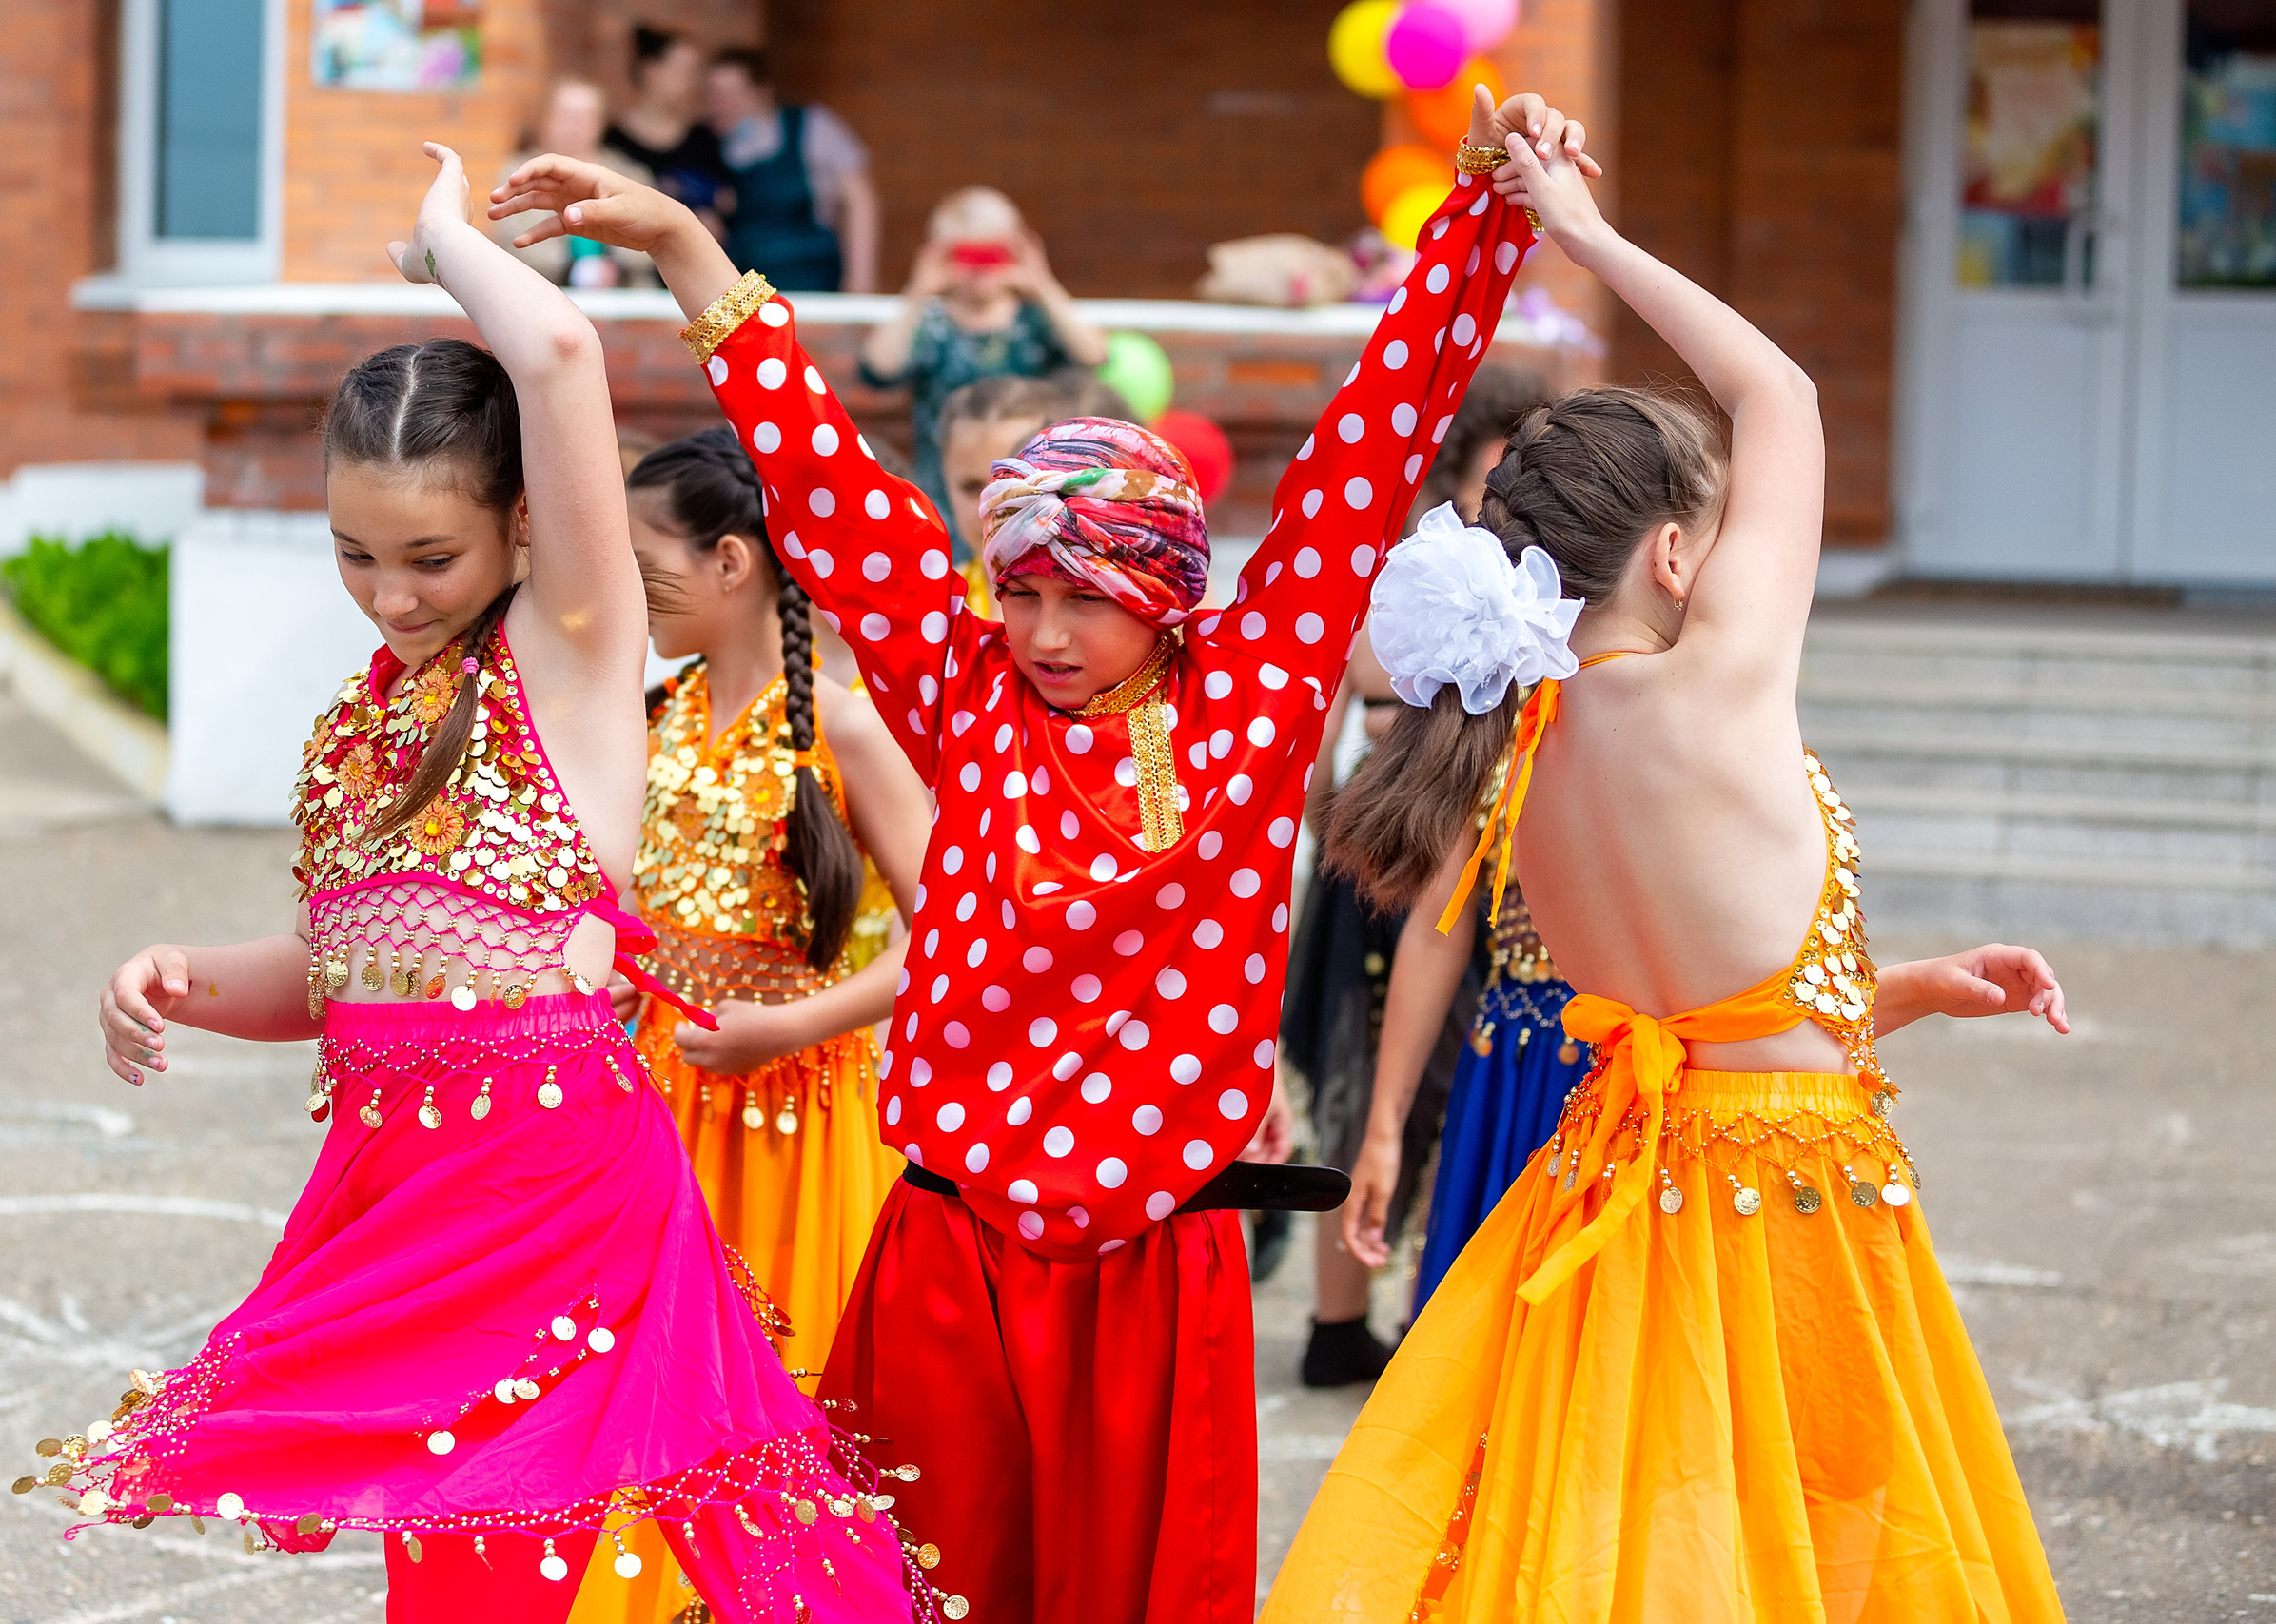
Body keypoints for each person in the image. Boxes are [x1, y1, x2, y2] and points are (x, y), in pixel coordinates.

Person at [487, 80, 1587, 1623]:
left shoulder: (1254, 691)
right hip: (950, 1253)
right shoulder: (964, 685)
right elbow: (821, 476)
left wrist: (1479, 208)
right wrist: (684, 245)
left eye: (1090, 597)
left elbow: (1376, 431)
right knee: (897, 1595)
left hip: (1158, 1271)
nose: (1049, 631)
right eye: (1020, 590)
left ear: (1169, 593)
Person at [48, 144, 921, 1624]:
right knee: (443, 1562)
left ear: (526, 525)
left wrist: (444, 241)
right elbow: (348, 976)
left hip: (543, 1179)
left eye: (429, 555)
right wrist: (181, 974)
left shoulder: (567, 652)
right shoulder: (366, 716)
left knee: (542, 1563)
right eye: (354, 553)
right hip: (398, 1182)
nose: (391, 593)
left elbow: (562, 353)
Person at [1259, 127, 2070, 1620]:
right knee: (1795, 1560)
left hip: (1623, 1187)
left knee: (1635, 1550)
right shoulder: (1714, 685)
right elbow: (1782, 394)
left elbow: (1712, 1016)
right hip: (1783, 1203)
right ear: (1678, 555)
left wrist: (1901, 991)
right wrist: (1583, 233)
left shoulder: (1517, 749)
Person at [567, 428, 932, 1623]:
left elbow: (948, 943)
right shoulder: (658, 713)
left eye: (644, 567)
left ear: (731, 562)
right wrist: (624, 974)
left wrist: (790, 1025)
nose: (626, 594)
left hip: (801, 1119)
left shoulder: (844, 727)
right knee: (654, 1401)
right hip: (660, 1111)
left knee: (782, 1392)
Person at [1276, 362, 1553, 1373]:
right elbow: (1336, 716)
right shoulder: (1420, 578)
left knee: (1448, 1077)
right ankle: (1339, 1318)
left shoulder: (1547, 597)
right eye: (1502, 474)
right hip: (1395, 858)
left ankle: (1396, 1301)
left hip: (1489, 873)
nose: (1520, 500)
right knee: (1366, 1079)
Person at [857, 186, 1107, 533]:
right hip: (945, 494)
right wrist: (918, 290)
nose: (979, 271)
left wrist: (1041, 283)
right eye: (966, 257)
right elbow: (877, 369)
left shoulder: (1033, 320)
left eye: (992, 256)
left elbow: (1094, 355)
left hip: (1030, 489)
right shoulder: (931, 325)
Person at [933, 371, 1133, 616]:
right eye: (971, 487)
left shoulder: (1118, 598)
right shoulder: (938, 603)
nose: (991, 506)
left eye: (1014, 484)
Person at [705, 48, 878, 295]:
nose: (721, 105)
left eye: (731, 94)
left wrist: (860, 280)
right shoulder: (706, 146)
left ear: (760, 92)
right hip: (745, 284)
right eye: (714, 95)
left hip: (812, 276)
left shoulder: (810, 126)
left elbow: (860, 200)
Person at [493, 77, 657, 288]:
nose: (575, 126)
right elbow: (512, 241)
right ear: (546, 118)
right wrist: (573, 270)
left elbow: (652, 238)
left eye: (585, 117)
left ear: (600, 123)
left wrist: (614, 265)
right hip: (543, 290)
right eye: (567, 116)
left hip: (627, 296)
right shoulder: (519, 172)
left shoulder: (629, 173)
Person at [604, 28, 730, 234]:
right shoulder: (613, 143)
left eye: (696, 73)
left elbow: (728, 203)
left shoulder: (705, 138)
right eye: (684, 71)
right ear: (651, 71)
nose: (693, 83)